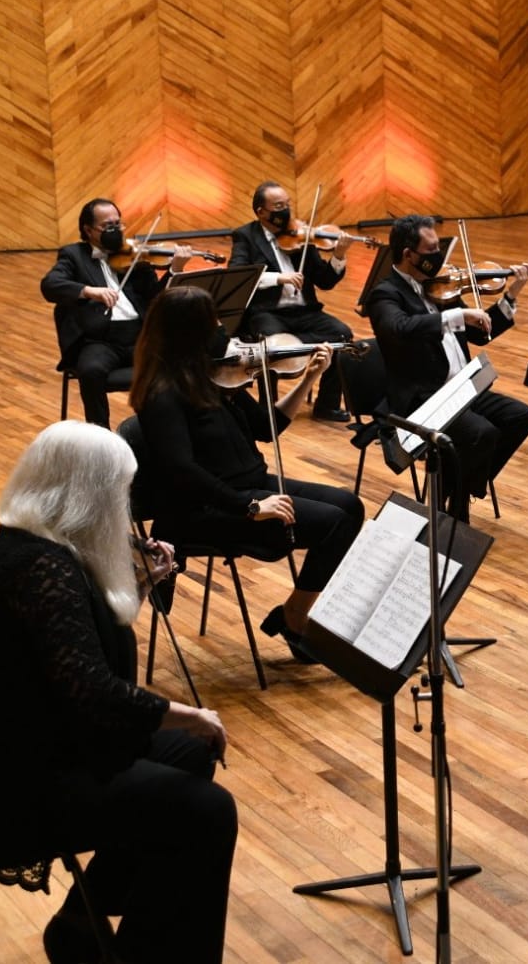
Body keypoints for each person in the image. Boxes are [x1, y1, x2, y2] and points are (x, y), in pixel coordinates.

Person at [0, 421, 236, 963]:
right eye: (119, 494)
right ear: (89, 498)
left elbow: (75, 654)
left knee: (191, 759)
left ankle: (83, 919)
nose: (124, 509)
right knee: (207, 811)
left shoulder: (33, 544)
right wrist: (191, 714)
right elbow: (98, 695)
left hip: (17, 746)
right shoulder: (40, 567)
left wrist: (136, 585)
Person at [129, 286, 363, 661]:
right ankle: (298, 620)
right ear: (190, 335)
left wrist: (308, 378)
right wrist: (250, 505)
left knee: (350, 506)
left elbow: (267, 429)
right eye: (216, 323)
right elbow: (182, 472)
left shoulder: (216, 377)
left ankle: (293, 612)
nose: (225, 330)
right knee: (333, 522)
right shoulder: (163, 395)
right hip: (206, 509)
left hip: (250, 487)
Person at [367, 214, 528, 521]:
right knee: (481, 434)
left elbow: (479, 333)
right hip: (425, 398)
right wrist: (455, 316)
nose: (439, 257)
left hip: (463, 388)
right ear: (408, 255)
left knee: (520, 417)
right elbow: (401, 327)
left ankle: (461, 485)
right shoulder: (385, 294)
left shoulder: (441, 287)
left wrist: (511, 295)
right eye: (431, 251)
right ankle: (456, 510)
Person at [41, 198, 193, 428]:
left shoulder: (135, 256)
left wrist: (175, 270)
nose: (115, 230)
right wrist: (89, 291)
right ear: (88, 230)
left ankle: (167, 431)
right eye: (107, 226)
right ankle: (102, 436)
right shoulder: (73, 255)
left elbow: (156, 300)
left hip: (139, 338)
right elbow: (50, 285)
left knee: (185, 361)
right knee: (91, 371)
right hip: (100, 340)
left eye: (118, 223)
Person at [229, 180, 354, 421]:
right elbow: (239, 276)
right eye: (278, 206)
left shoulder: (301, 235)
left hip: (305, 313)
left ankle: (326, 406)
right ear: (261, 212)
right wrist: (278, 278)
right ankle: (269, 409)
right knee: (272, 345)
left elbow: (325, 281)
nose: (286, 211)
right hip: (267, 313)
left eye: (288, 204)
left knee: (343, 335)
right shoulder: (246, 236)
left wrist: (338, 256)